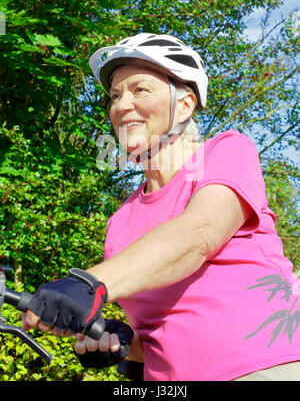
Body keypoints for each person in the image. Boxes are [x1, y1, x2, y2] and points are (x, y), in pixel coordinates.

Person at [22, 33, 300, 381]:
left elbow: (199, 235)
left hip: (265, 366)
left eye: (140, 90)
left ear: (184, 105)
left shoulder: (226, 151)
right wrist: (119, 340)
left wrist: (90, 283)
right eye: (115, 95)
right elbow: (158, 335)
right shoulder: (120, 222)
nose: (122, 105)